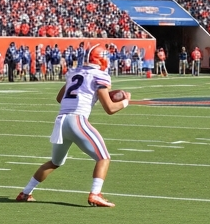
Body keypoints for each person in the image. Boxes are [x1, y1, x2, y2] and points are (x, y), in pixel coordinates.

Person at [16, 45, 129, 207]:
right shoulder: (100, 75)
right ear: (102, 59)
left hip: (61, 122)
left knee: (55, 162)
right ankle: (95, 194)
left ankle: (25, 193)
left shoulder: (74, 72)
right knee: (104, 158)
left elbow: (59, 98)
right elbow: (110, 109)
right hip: (77, 121)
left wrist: (89, 95)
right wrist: (126, 101)